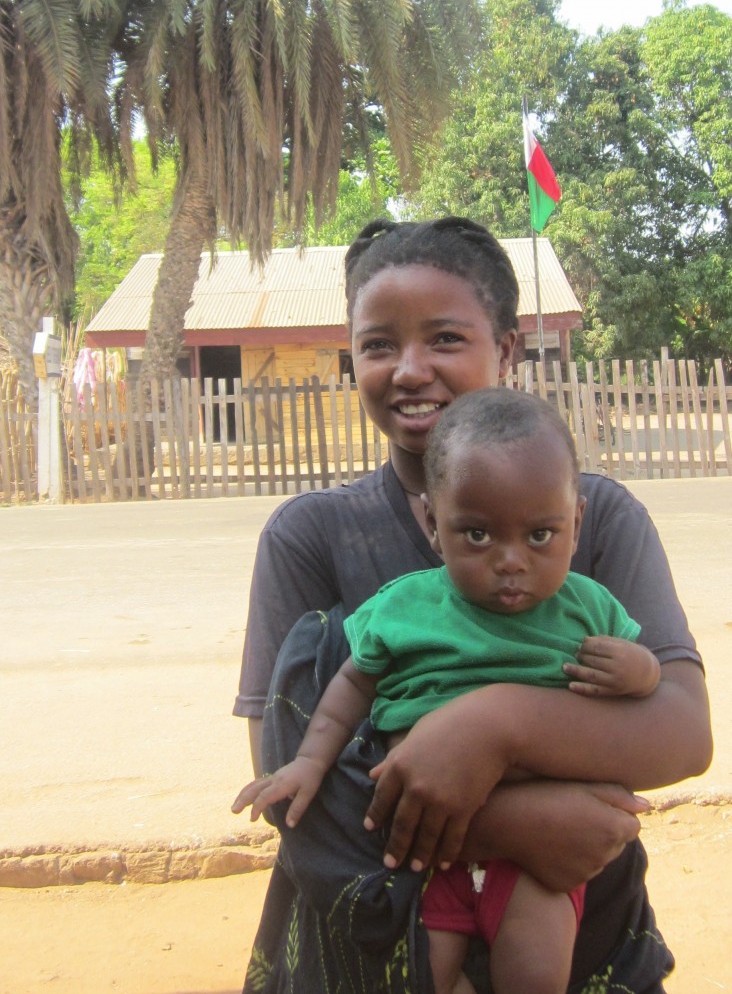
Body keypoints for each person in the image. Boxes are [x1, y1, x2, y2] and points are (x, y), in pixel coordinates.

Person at [232, 217, 712, 993]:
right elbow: (292, 784)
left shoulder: (598, 520)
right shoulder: (313, 536)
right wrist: (514, 823)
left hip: (588, 947)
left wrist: (493, 725)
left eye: (446, 339)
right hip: (366, 949)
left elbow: (681, 735)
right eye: (377, 345)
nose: (409, 369)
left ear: (510, 348)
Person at [234, 387, 662, 994]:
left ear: (577, 522)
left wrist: (638, 671)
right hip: (424, 858)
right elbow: (351, 684)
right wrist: (308, 760)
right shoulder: (407, 605)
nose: (510, 560)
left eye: (541, 535)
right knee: (418, 976)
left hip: (539, 863)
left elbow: (652, 689)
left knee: (537, 975)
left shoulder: (589, 607)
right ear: (435, 525)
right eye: (478, 536)